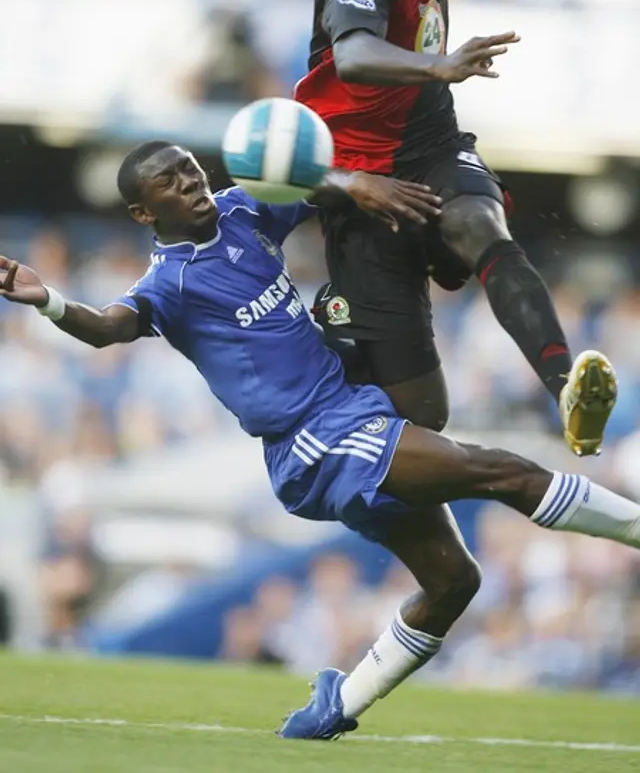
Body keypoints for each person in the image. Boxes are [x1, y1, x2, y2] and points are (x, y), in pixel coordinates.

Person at [2, 140, 639, 741]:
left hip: (352, 412)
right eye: (169, 182)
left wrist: (357, 183)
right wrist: (49, 300)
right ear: (144, 212)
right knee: (504, 471)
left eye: (191, 168)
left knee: (454, 583)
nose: (190, 183)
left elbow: (312, 189)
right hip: (317, 441)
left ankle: (336, 705)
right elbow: (109, 326)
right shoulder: (169, 284)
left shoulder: (242, 209)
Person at [260, 0, 618, 458]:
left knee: (481, 226)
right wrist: (441, 66)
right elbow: (352, 55)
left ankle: (566, 392)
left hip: (431, 149)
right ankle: (332, 342)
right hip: (360, 181)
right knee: (426, 413)